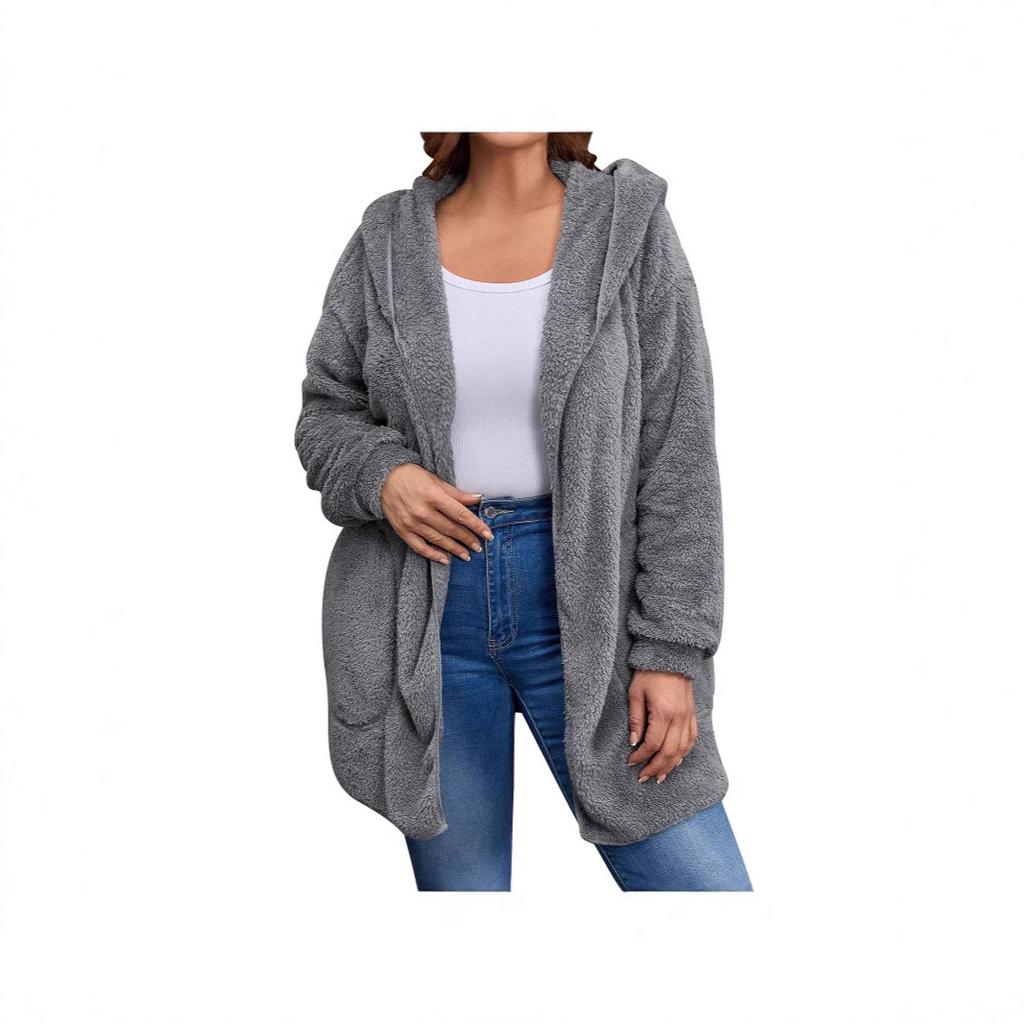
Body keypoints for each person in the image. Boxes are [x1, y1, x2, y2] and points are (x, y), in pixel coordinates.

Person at [295, 131, 752, 891]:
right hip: (428, 609)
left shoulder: (629, 229)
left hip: (595, 608)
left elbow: (678, 453)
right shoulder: (387, 239)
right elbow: (326, 412)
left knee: (705, 891)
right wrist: (385, 475)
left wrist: (672, 651)